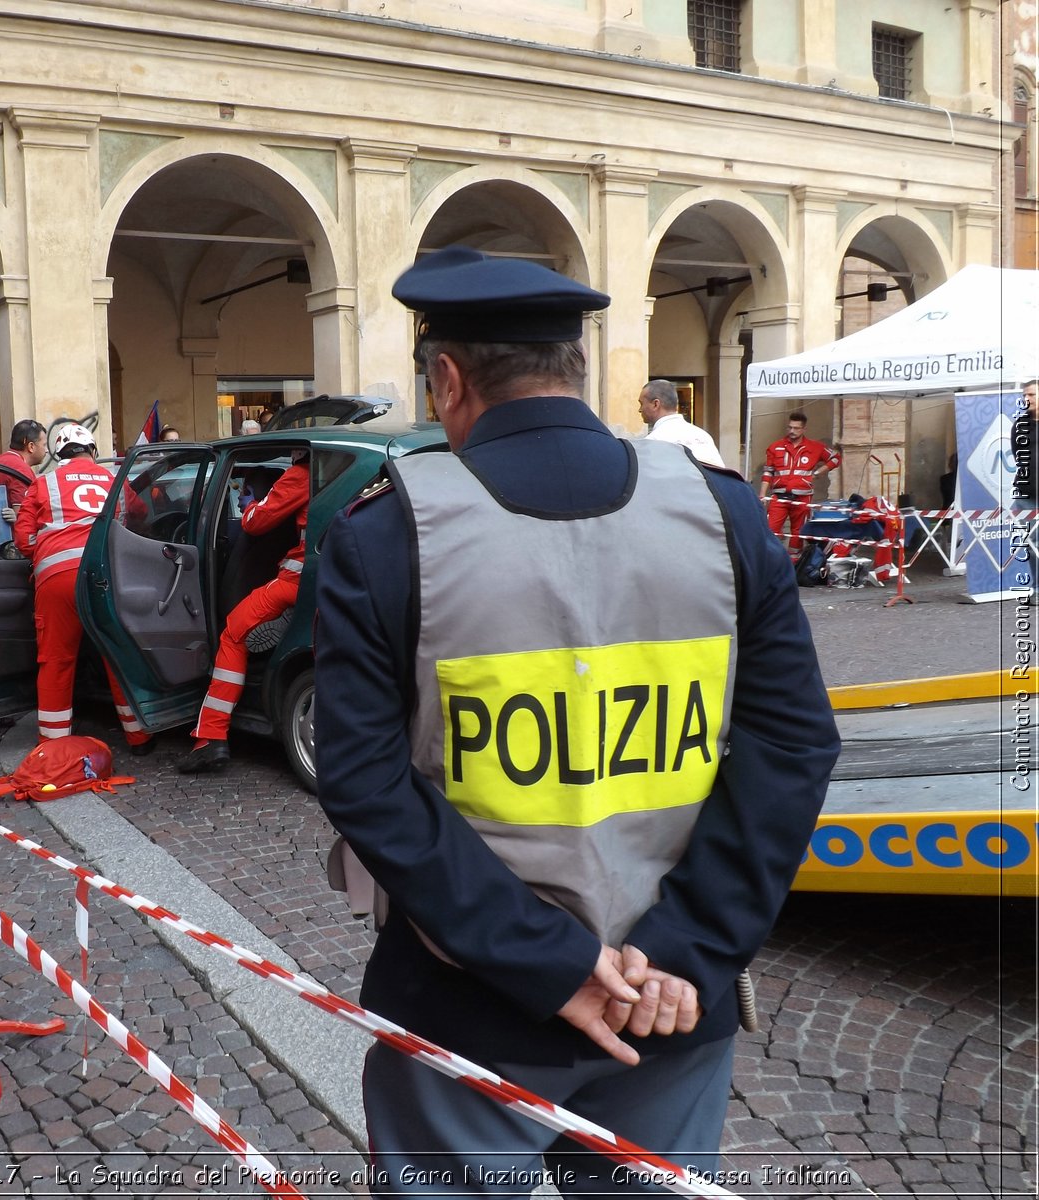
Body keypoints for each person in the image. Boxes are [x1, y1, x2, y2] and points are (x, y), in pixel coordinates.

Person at [313, 245, 839, 1197]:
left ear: (446, 377)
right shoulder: (721, 513)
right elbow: (792, 746)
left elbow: (364, 780)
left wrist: (555, 963)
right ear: (580, 369)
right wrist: (689, 951)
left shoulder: (386, 530)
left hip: (470, 1007)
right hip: (672, 1001)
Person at [14, 422, 152, 752]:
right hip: (105, 577)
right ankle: (139, 736)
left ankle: (53, 745)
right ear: (92, 451)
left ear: (59, 455)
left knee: (57, 661)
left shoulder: (43, 483)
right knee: (117, 655)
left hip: (57, 580)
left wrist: (48, 551)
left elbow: (23, 540)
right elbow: (141, 514)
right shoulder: (114, 479)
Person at [179, 453, 310, 774]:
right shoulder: (334, 473)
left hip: (295, 579)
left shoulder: (299, 475)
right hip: (319, 578)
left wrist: (252, 504)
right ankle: (288, 621)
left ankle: (211, 737)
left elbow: (256, 522)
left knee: (233, 632)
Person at [759, 411, 841, 551]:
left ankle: (795, 563)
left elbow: (836, 458)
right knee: (770, 530)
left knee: (798, 533)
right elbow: (768, 472)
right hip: (779, 497)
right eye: (790, 427)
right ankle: (772, 560)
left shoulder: (815, 447)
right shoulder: (775, 447)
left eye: (796, 428)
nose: (792, 431)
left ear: (804, 429)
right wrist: (762, 494)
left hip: (802, 496)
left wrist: (818, 473)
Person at [637, 379, 724, 468]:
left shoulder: (653, 441)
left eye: (641, 403)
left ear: (655, 404)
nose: (640, 410)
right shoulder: (703, 436)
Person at [0, 419, 47, 544]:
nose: (47, 450)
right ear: (31, 446)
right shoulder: (20, 469)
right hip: (9, 547)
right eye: (44, 445)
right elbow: (23, 517)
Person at [1011, 380, 1037, 507]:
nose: (1027, 399)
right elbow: (1017, 455)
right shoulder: (1020, 425)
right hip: (1027, 496)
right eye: (1024, 395)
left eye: (1031, 395)